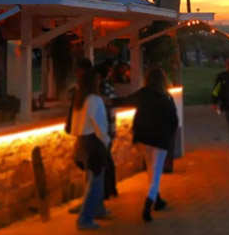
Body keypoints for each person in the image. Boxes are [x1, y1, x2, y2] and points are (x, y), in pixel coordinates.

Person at [120, 67, 179, 222]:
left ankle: (157, 198)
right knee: (156, 172)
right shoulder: (166, 97)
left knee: (151, 168)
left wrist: (109, 100)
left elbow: (127, 100)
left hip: (143, 138)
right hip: (160, 139)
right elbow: (174, 120)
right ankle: (148, 204)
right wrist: (169, 135)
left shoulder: (144, 93)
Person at [69, 68, 110, 230]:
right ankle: (85, 219)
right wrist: (106, 141)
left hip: (81, 142)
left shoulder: (79, 99)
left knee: (92, 179)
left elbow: (74, 124)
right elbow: (100, 124)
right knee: (95, 182)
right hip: (94, 143)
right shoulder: (95, 100)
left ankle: (98, 209)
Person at [98, 61, 118, 200]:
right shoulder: (109, 87)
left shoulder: (101, 89)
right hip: (111, 128)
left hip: (105, 128)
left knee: (103, 159)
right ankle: (111, 188)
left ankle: (106, 190)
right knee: (107, 158)